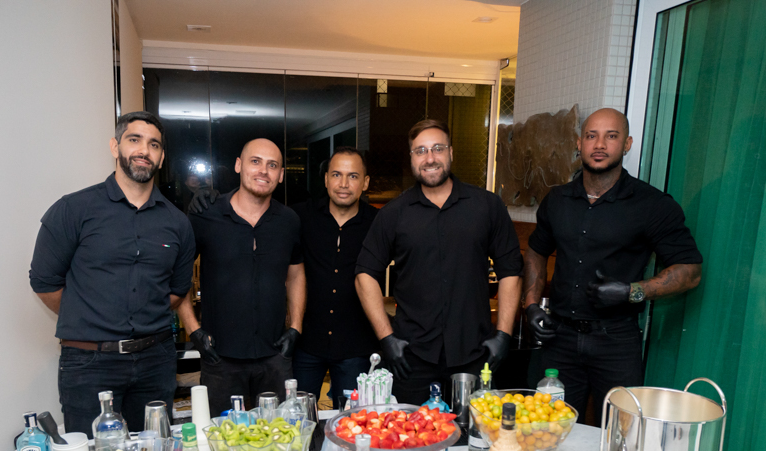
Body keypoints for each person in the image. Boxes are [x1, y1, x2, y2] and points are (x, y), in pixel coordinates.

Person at [523, 108, 703, 423]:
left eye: (611, 136)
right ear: (579, 143)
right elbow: (536, 251)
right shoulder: (557, 200)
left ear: (627, 143)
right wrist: (531, 305)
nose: (600, 144)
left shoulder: (652, 205)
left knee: (623, 433)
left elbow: (690, 272)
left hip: (616, 342)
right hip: (559, 339)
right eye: (591, 136)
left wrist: (631, 291)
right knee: (546, 430)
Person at [29, 111, 195, 433]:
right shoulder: (73, 209)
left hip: (156, 361)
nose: (144, 150)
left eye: (154, 145)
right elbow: (44, 283)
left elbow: (176, 291)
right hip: (89, 364)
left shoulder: (178, 223)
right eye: (134, 140)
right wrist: (91, 317)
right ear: (115, 147)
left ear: (161, 158)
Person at [355, 119, 523, 406]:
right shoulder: (394, 213)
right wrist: (387, 338)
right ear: (411, 158)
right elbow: (364, 275)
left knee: (474, 430)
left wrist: (504, 335)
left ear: (451, 153)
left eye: (437, 148)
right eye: (420, 150)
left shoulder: (487, 206)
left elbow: (511, 271)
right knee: (411, 431)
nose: (430, 158)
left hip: (475, 354)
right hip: (411, 356)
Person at [177, 138, 305, 416]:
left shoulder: (289, 221)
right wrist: (194, 331)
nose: (263, 171)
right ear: (238, 165)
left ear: (281, 175)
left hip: (275, 356)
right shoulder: (205, 215)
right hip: (220, 358)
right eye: (255, 161)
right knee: (222, 436)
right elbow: (179, 275)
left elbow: (296, 273)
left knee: (278, 434)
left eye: (272, 165)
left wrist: (296, 327)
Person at [290, 147, 379, 408]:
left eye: (353, 176)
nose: (343, 184)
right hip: (307, 342)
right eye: (337, 175)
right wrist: (213, 200)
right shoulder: (299, 216)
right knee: (297, 418)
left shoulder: (379, 223)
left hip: (356, 346)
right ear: (326, 179)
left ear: (365, 183)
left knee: (352, 421)